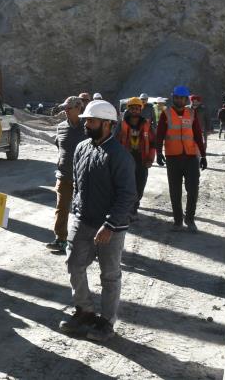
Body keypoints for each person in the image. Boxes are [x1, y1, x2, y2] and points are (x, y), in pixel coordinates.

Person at [59, 99, 136, 342]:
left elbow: (127, 195)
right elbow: (78, 184)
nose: (86, 124)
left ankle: (106, 322)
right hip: (83, 221)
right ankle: (85, 311)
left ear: (107, 124)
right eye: (86, 120)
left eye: (91, 121)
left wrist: (110, 224)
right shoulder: (82, 148)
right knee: (73, 264)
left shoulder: (120, 156)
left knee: (109, 275)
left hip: (110, 228)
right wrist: (76, 212)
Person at [154, 85, 207, 233]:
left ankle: (189, 218)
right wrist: (158, 153)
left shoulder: (192, 113)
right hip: (173, 158)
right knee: (175, 191)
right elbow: (159, 135)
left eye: (182, 98)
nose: (179, 100)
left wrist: (203, 155)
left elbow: (197, 134)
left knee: (193, 189)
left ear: (186, 99)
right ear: (173, 98)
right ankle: (178, 221)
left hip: (191, 157)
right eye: (177, 97)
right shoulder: (166, 114)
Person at [46, 96, 85, 253]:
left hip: (83, 178)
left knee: (82, 211)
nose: (66, 111)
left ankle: (83, 242)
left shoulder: (87, 127)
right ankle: (60, 239)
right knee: (61, 209)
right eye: (65, 109)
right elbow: (59, 146)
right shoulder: (61, 127)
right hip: (63, 175)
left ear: (78, 108)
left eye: (69, 108)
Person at [117, 97, 153, 220]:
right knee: (125, 184)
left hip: (142, 160)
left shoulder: (147, 124)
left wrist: (151, 159)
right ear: (129, 109)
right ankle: (128, 209)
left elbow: (153, 143)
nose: (135, 110)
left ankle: (135, 207)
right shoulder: (121, 124)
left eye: (137, 108)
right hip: (125, 160)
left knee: (140, 184)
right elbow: (115, 141)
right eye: (132, 108)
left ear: (140, 109)